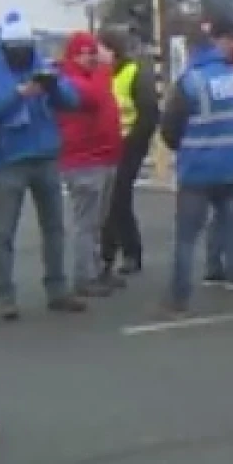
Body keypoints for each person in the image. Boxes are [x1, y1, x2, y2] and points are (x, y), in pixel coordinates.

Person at [0, 10, 84, 320]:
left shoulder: (43, 64)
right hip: (11, 160)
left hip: (45, 155)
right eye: (16, 47)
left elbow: (72, 102)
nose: (23, 52)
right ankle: (5, 295)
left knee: (54, 229)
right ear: (5, 46)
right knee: (4, 231)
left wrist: (54, 87)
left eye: (26, 46)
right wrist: (17, 95)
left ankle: (57, 289)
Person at [159, 19, 233, 320]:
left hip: (197, 170)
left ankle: (179, 299)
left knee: (186, 238)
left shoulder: (189, 82)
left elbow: (170, 129)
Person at [56, 32, 125, 298]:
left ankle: (95, 270)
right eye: (88, 53)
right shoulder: (70, 82)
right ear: (74, 55)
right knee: (86, 222)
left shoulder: (90, 78)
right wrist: (106, 67)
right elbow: (95, 98)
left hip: (103, 157)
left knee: (98, 221)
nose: (94, 57)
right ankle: (84, 276)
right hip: (84, 160)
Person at [99, 27, 159, 278]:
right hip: (106, 146)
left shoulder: (134, 72)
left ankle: (128, 253)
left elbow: (148, 112)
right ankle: (108, 256)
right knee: (108, 202)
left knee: (119, 200)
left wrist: (135, 142)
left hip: (128, 145)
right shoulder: (100, 75)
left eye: (99, 47)